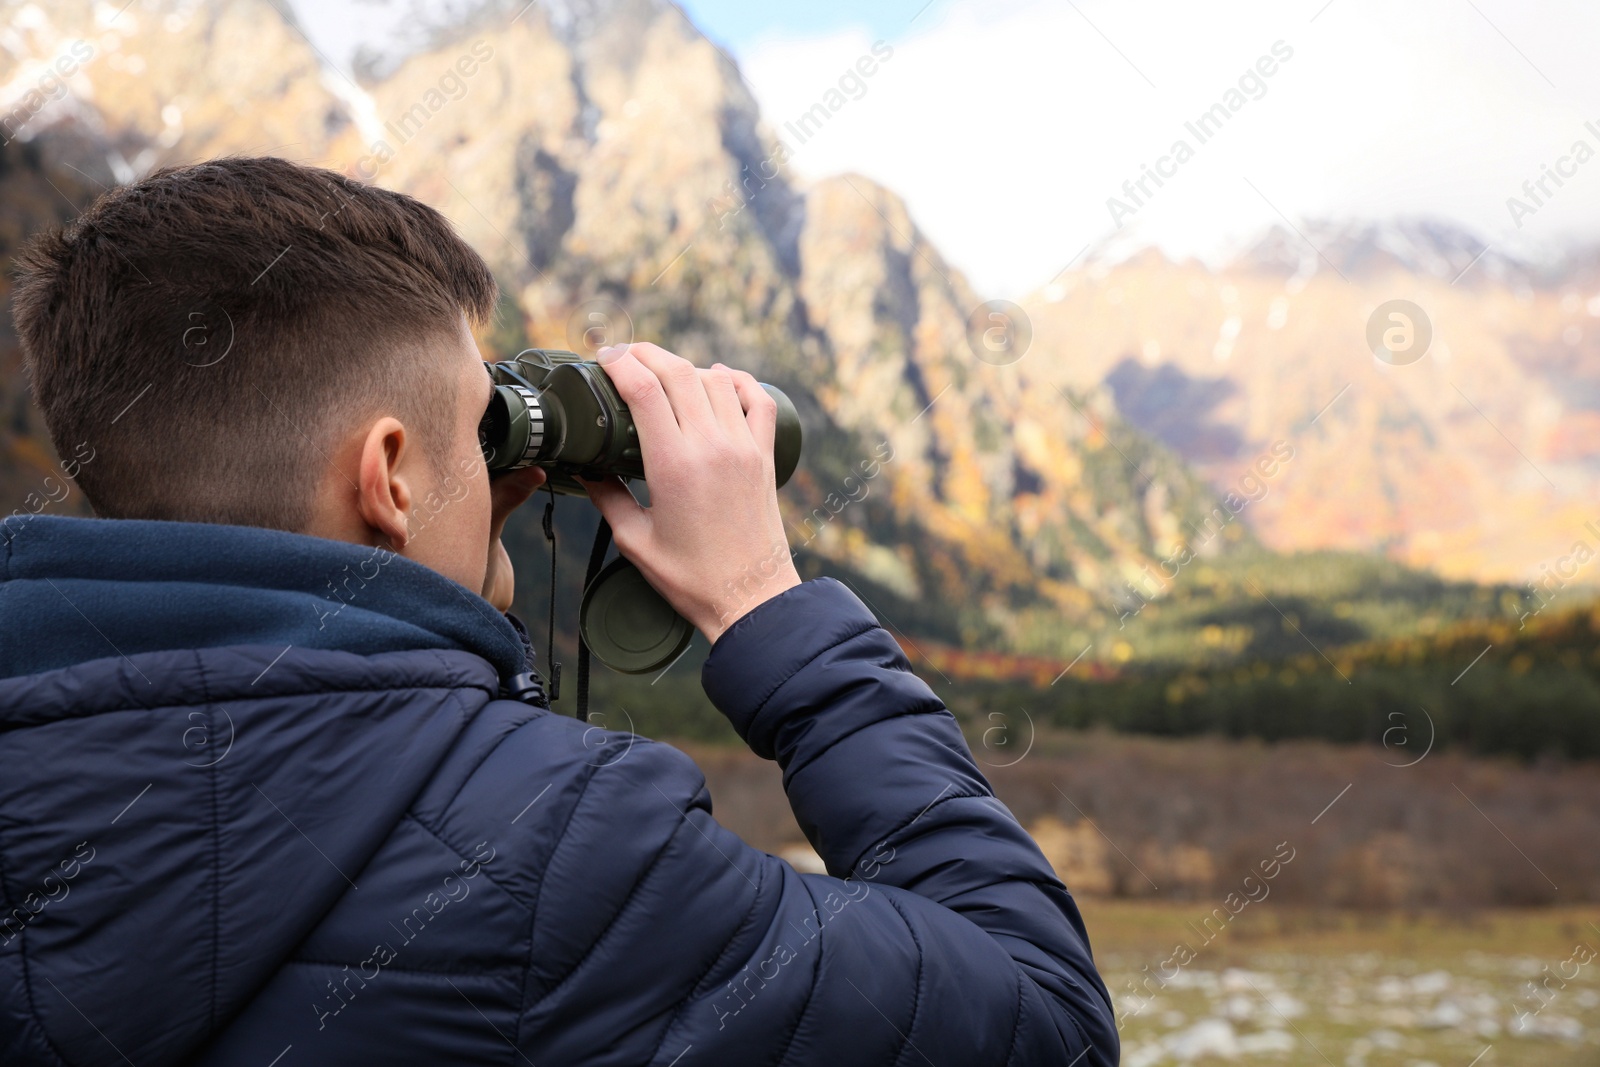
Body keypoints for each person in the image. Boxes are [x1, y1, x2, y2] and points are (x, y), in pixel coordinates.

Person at [0, 156, 1118, 1065]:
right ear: (389, 476)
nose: (515, 475)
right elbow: (1043, 1022)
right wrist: (764, 606)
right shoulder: (555, 854)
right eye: (485, 427)